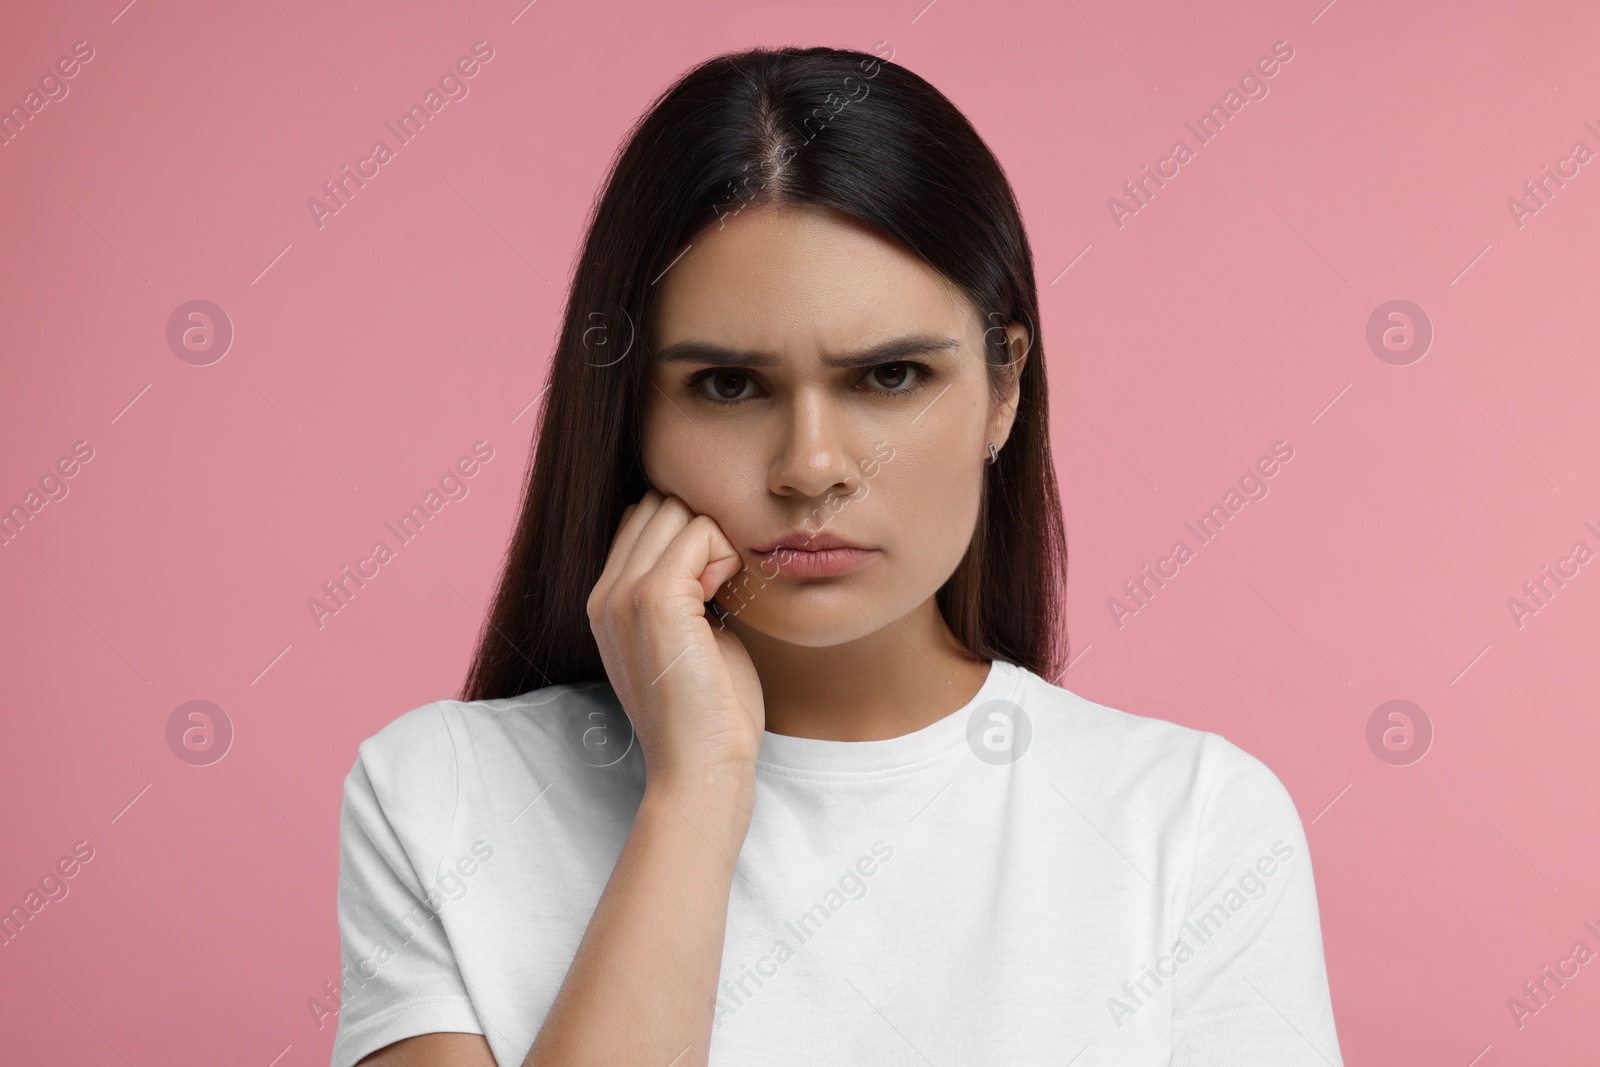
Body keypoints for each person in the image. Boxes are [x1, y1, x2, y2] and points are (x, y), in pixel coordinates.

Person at [331, 44, 1344, 1067]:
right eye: (729, 385)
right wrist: (696, 794)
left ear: (1003, 390)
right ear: (630, 410)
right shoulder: (442, 794)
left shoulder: (1192, 820)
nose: (810, 468)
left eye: (889, 375)